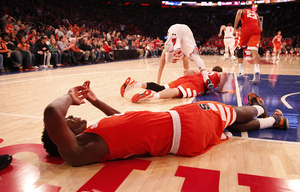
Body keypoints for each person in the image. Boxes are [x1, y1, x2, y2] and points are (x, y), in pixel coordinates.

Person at [42, 81, 288, 166]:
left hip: (181, 134)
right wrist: (69, 97)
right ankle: (260, 108)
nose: (71, 117)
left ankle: (272, 121)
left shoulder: (91, 137)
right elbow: (52, 111)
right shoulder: (76, 150)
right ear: (60, 136)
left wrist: (96, 101)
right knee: (228, 111)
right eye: (68, 121)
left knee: (224, 125)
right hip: (181, 124)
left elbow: (120, 119)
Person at [121, 66, 228, 103]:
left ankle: (135, 84)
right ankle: (151, 97)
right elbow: (225, 74)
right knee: (176, 92)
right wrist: (221, 89)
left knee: (161, 88)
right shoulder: (216, 74)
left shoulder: (206, 71)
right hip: (198, 84)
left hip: (190, 78)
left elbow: (189, 71)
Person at [164, 24, 213, 90]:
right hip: (186, 29)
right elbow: (186, 65)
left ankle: (172, 48)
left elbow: (161, 68)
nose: (174, 61)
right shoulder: (183, 53)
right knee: (195, 55)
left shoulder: (180, 55)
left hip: (174, 30)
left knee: (168, 61)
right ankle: (206, 79)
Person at [233, 7, 263, 85]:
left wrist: (235, 28)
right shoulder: (256, 14)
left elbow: (239, 13)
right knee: (254, 50)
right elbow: (261, 28)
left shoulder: (242, 10)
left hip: (246, 30)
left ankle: (241, 70)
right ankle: (257, 69)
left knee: (239, 49)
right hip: (256, 31)